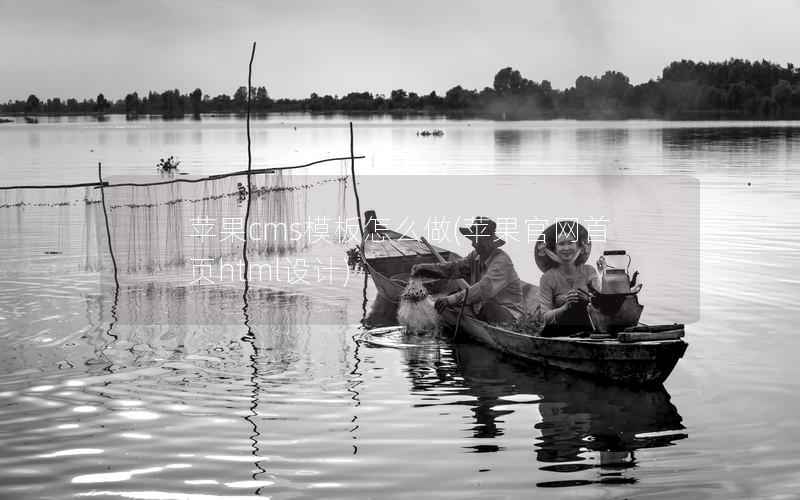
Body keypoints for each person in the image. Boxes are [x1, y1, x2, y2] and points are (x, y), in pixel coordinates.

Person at [410, 216, 525, 324]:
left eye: (480, 240)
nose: (475, 244)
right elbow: (452, 269)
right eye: (474, 239)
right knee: (455, 298)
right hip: (481, 305)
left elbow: (484, 288)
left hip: (508, 315)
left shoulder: (502, 261)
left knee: (487, 307)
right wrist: (424, 269)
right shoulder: (475, 256)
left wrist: (450, 300)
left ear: (491, 241)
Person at [534, 220, 600, 335]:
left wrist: (587, 300)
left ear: (579, 246)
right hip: (559, 331)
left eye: (570, 243)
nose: (566, 248)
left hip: (588, 330)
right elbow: (545, 317)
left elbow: (601, 307)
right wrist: (565, 307)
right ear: (555, 249)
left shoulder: (589, 271)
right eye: (561, 244)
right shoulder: (547, 277)